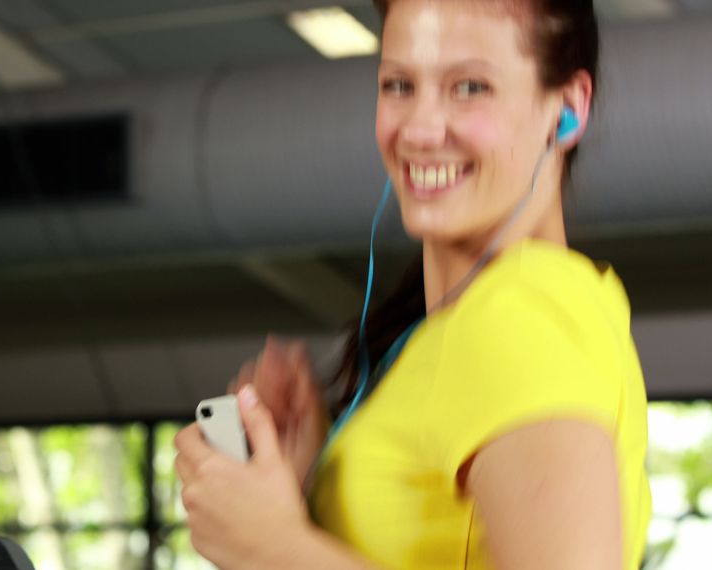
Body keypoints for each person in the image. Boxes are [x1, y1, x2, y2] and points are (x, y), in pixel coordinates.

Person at [173, 0, 652, 569]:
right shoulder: (453, 331)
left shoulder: (525, 311)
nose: (420, 129)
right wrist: (298, 500)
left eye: (470, 87)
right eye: (399, 84)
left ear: (568, 109)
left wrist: (278, 549)